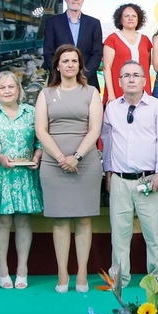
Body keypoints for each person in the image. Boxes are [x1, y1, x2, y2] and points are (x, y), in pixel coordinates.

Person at [35, 44, 104, 293]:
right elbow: (41, 130)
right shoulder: (45, 94)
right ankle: (62, 274)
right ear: (57, 65)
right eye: (65, 61)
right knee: (60, 220)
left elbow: (95, 129)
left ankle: (82, 273)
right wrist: (60, 158)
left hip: (85, 162)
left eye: (74, 61)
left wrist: (75, 156)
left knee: (84, 219)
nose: (70, 65)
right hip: (54, 164)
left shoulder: (91, 92)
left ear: (80, 65)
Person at [102, 61, 158, 289]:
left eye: (136, 75)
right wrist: (108, 172)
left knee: (153, 233)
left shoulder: (156, 107)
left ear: (145, 80)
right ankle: (119, 277)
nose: (131, 79)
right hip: (120, 180)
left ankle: (157, 275)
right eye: (126, 75)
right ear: (119, 81)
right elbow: (107, 142)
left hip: (149, 179)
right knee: (119, 233)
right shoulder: (112, 107)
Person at [0, 71, 42, 289]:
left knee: (23, 220)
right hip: (0, 174)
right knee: (2, 221)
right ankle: (2, 268)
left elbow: (41, 139)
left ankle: (22, 269)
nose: (7, 91)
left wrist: (37, 156)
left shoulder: (32, 112)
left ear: (19, 90)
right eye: (2, 88)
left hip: (25, 174)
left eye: (11, 87)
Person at [42, 0, 104, 86]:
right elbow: (48, 53)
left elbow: (97, 53)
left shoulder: (94, 23)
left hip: (87, 81)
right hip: (59, 81)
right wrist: (63, 73)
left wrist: (82, 75)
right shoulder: (52, 23)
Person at [102, 3, 152, 104]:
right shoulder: (112, 39)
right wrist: (111, 93)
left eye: (134, 16)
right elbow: (106, 68)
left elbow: (146, 67)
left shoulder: (145, 40)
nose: (130, 18)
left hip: (142, 92)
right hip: (118, 91)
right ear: (120, 19)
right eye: (126, 16)